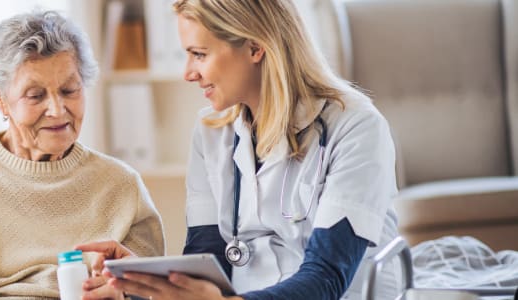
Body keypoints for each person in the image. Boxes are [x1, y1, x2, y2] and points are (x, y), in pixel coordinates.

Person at [77, 1, 402, 299]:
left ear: (254, 47)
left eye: (199, 54)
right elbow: (208, 258)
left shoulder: (357, 128)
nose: (188, 73)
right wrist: (143, 282)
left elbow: (326, 278)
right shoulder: (211, 131)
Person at [0, 10, 165, 299]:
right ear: (0, 99)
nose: (58, 110)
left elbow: (155, 292)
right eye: (36, 96)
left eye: (69, 90)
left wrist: (123, 296)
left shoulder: (122, 185)